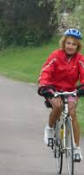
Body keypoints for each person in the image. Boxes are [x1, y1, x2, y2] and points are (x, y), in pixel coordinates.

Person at [38, 28, 84, 162]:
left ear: (77, 46)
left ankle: (76, 149)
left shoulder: (80, 59)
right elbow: (45, 72)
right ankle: (50, 129)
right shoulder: (55, 55)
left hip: (70, 90)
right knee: (57, 106)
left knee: (72, 113)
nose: (70, 46)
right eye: (68, 43)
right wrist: (44, 85)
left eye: (74, 44)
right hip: (53, 88)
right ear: (64, 43)